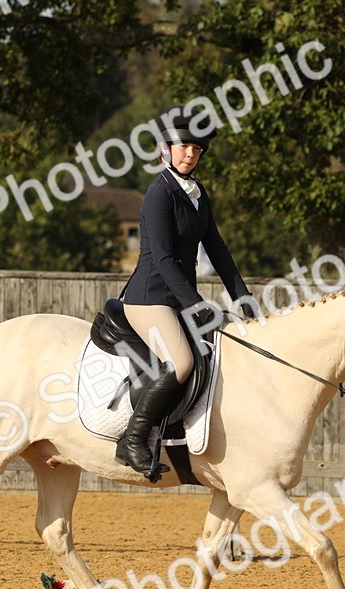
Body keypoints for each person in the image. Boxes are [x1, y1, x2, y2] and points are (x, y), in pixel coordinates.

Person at [117, 106, 256, 480]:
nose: (190, 154)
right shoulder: (159, 194)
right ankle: (132, 439)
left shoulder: (198, 193)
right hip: (149, 298)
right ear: (166, 148)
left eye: (196, 148)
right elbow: (162, 259)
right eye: (183, 147)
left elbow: (219, 250)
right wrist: (197, 306)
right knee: (183, 363)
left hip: (178, 299)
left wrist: (244, 300)